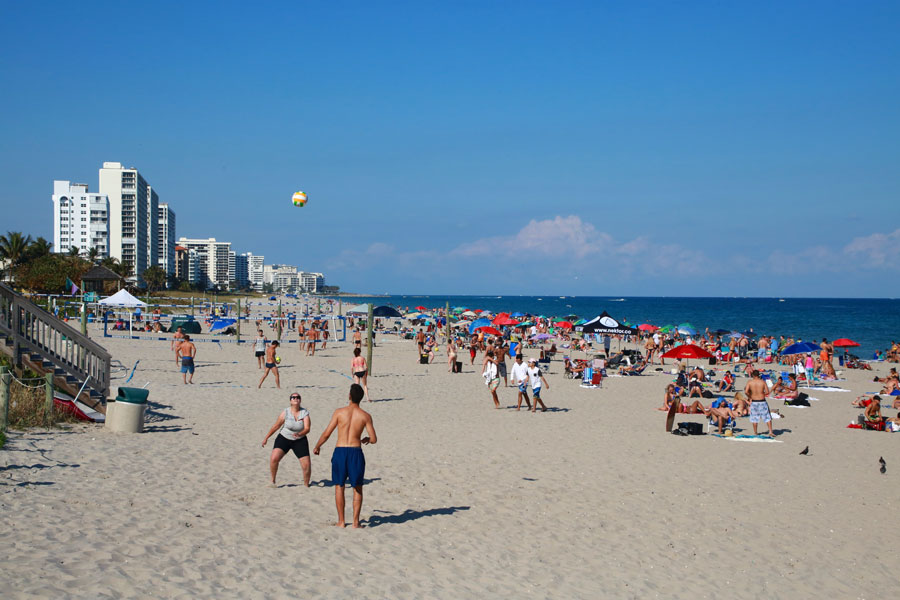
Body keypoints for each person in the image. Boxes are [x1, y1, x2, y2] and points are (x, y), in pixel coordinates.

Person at [313, 384, 377, 529]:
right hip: (355, 451)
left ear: (349, 396)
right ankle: (356, 522)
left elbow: (327, 433)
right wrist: (366, 439)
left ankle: (341, 521)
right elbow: (374, 439)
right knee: (357, 488)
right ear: (361, 398)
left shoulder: (339, 412)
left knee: (339, 486)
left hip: (340, 451)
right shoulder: (365, 416)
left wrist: (317, 446)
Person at [262, 393, 311, 487]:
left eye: (298, 397)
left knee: (306, 465)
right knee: (274, 458)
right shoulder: (286, 412)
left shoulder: (304, 413)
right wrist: (266, 438)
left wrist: (300, 434)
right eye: (293, 397)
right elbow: (276, 426)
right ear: (290, 401)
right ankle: (272, 481)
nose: (296, 399)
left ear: (300, 400)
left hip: (299, 440)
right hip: (284, 438)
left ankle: (306, 485)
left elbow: (307, 428)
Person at [745, 370, 774, 437]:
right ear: (758, 375)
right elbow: (767, 392)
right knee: (767, 416)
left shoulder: (750, 382)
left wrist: (750, 396)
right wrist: (761, 393)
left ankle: (755, 432)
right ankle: (770, 431)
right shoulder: (762, 382)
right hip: (762, 401)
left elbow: (746, 392)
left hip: (754, 401)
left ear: (753, 375)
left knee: (754, 418)